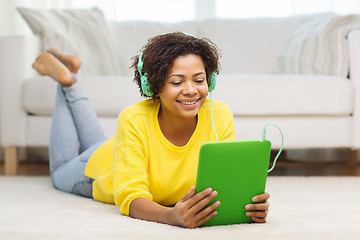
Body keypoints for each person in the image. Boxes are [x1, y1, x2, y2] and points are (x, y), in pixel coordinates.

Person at [32, 32, 270, 228]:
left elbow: (224, 182)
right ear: (153, 86)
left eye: (199, 80)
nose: (191, 90)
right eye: (177, 82)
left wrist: (247, 204)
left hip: (122, 149)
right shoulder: (133, 118)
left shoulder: (220, 115)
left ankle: (70, 74)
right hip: (100, 168)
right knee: (60, 171)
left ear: (211, 81)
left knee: (98, 140)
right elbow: (130, 197)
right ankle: (67, 81)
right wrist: (171, 216)